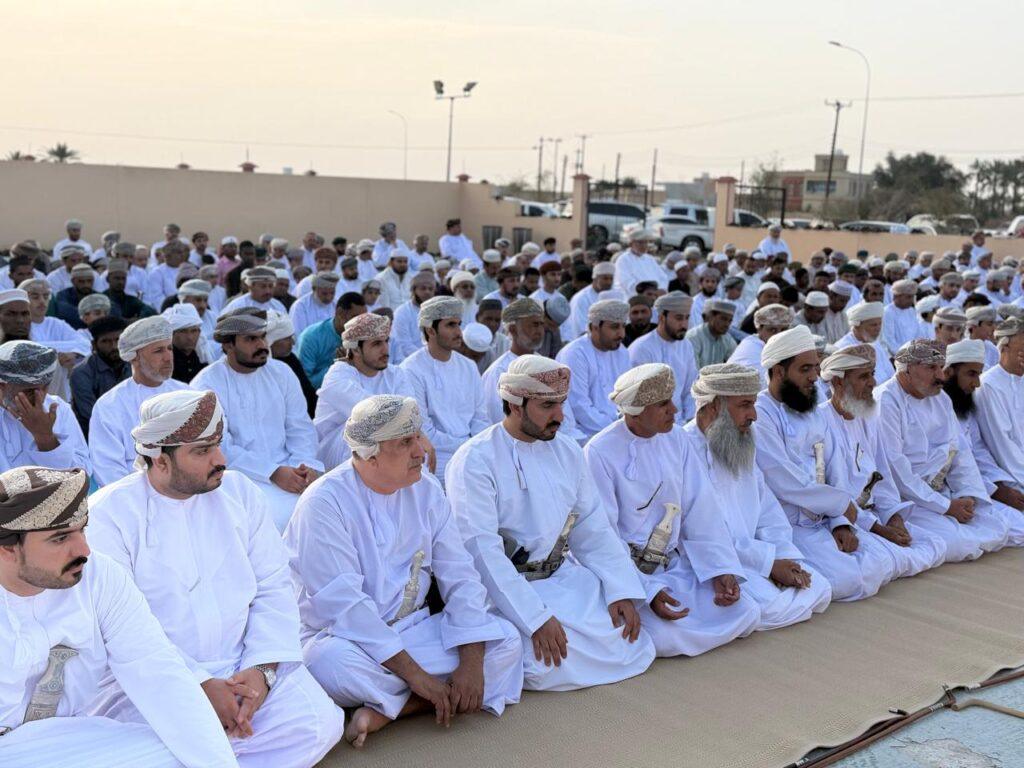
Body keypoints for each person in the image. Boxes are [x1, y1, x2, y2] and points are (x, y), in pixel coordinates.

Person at [88, 390, 344, 767]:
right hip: (155, 681)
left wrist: (261, 672)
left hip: (241, 666)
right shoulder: (108, 516)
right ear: (160, 459)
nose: (220, 460)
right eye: (203, 451)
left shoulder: (240, 494)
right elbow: (125, 633)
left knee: (319, 724)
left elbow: (274, 587)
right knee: (147, 750)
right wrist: (200, 686)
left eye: (218, 445)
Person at [285, 395, 522, 748]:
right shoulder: (323, 504)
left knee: (507, 639)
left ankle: (391, 708)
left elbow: (461, 575)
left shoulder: (426, 489)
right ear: (371, 455)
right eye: (405, 442)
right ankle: (422, 698)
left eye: (418, 437)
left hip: (415, 628)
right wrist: (419, 677)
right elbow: (346, 610)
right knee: (326, 663)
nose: (421, 451)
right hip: (348, 639)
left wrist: (471, 662)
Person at [0, 466, 238, 768]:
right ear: (8, 549)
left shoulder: (99, 576)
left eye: (82, 530)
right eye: (60, 538)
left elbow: (157, 670)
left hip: (62, 737)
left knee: (177, 755)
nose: (84, 550)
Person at [446, 356, 655, 690]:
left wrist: (621, 589)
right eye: (547, 405)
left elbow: (593, 527)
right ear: (515, 405)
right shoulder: (474, 460)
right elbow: (482, 552)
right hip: (507, 589)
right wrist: (535, 618)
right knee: (535, 660)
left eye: (561, 404)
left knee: (627, 635)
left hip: (561, 577)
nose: (560, 416)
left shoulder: (567, 450)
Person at [585, 364, 761, 655]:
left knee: (747, 612)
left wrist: (720, 570)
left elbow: (701, 509)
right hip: (631, 573)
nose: (675, 410)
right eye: (663, 404)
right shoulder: (599, 451)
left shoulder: (676, 439)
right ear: (636, 411)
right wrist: (647, 591)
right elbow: (603, 533)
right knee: (658, 638)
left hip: (674, 566)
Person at [754, 326, 898, 601]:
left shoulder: (810, 407)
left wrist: (840, 522)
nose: (814, 377)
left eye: (815, 368)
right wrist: (840, 506)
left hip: (825, 517)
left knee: (880, 565)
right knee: (849, 580)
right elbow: (785, 482)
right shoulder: (761, 415)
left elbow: (834, 468)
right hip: (789, 524)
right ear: (779, 371)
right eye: (805, 369)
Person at [684, 364, 832, 628]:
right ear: (714, 406)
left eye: (753, 404)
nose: (753, 415)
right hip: (715, 564)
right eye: (744, 405)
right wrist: (768, 563)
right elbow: (700, 534)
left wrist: (782, 556)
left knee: (821, 587)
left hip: (756, 556)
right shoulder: (684, 451)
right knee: (766, 609)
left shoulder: (740, 441)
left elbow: (767, 510)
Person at [876, 339, 1011, 562]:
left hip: (942, 493)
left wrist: (967, 494)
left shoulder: (941, 398)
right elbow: (896, 470)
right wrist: (946, 506)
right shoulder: (887, 401)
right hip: (908, 499)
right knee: (962, 544)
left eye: (941, 367)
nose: (941, 376)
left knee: (999, 527)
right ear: (907, 369)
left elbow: (960, 453)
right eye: (932, 368)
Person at [819, 345, 947, 577]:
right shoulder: (821, 422)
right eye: (863, 377)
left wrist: (894, 517)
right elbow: (836, 491)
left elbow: (883, 475)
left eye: (872, 374)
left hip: (875, 514)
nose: (872, 383)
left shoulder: (867, 418)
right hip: (847, 520)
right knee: (876, 566)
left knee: (936, 544)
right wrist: (878, 528)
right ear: (838, 382)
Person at [192, 309, 323, 531]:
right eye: (251, 339)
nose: (262, 345)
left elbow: (300, 428)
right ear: (228, 345)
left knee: (326, 508)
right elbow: (221, 447)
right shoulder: (206, 385)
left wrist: (303, 466)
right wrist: (273, 472)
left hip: (293, 469)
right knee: (275, 520)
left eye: (262, 337)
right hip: (240, 477)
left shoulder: (282, 372)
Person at [89, 317, 189, 486]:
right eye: (158, 351)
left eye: (169, 348)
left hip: (188, 490)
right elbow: (108, 470)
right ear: (134, 357)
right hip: (134, 495)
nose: (168, 357)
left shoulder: (188, 394)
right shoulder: (109, 405)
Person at [401, 296, 488, 483]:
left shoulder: (469, 366)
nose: (458, 332)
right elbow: (423, 429)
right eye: (450, 325)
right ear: (430, 330)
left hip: (473, 450)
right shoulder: (411, 369)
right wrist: (466, 446)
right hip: (435, 455)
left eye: (459, 324)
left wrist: (475, 447)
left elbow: (480, 418)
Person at [315, 313, 413, 470]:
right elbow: (369, 412)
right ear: (356, 350)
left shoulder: (396, 373)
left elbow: (411, 414)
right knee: (360, 429)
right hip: (335, 453)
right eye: (376, 344)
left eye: (386, 341)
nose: (385, 349)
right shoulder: (337, 375)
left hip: (386, 445)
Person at [944, 339, 1024, 518]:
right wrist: (994, 490)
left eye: (979, 374)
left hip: (972, 487)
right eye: (971, 374)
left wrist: (998, 487)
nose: (977, 384)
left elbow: (979, 452)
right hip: (941, 494)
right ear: (948, 372)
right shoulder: (933, 407)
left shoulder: (965, 407)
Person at [0, 341, 91, 474]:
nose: (40, 397)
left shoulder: (59, 409)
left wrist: (45, 436)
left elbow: (83, 473)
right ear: (2, 386)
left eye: (45, 387)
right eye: (30, 391)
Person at [556, 299, 631, 441]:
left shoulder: (622, 352)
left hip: (618, 427)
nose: (621, 334)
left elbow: (627, 395)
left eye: (623, 326)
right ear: (594, 327)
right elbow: (579, 406)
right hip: (584, 433)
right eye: (614, 327)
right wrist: (616, 428)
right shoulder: (575, 354)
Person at [627, 292, 699, 423]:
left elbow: (691, 389)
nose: (684, 325)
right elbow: (638, 398)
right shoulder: (642, 348)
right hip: (650, 424)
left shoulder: (686, 345)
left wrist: (690, 421)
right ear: (662, 318)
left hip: (681, 421)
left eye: (686, 318)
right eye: (678, 318)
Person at [70, 316, 130, 435]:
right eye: (106, 341)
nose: (114, 346)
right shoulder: (81, 373)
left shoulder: (134, 365)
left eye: (118, 340)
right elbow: (92, 415)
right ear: (94, 345)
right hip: (95, 435)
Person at [297, 292, 366, 388]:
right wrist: (338, 366)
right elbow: (304, 384)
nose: (360, 324)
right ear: (340, 313)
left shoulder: (363, 337)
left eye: (363, 319)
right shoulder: (311, 338)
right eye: (355, 318)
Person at [727, 304, 792, 386]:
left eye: (783, 330)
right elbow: (768, 385)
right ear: (759, 329)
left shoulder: (776, 347)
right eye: (772, 330)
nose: (778, 335)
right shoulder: (751, 348)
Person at [835, 302, 895, 384]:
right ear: (857, 325)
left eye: (880, 324)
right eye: (873, 325)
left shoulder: (875, 343)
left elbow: (891, 373)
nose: (878, 328)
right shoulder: (842, 347)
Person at [389, 271, 437, 364]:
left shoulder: (437, 312)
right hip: (409, 362)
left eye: (430, 289)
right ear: (414, 290)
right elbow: (404, 345)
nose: (427, 292)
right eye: (423, 288)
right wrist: (428, 358)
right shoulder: (402, 312)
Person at [685, 299, 738, 368]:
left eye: (730, 321)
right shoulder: (694, 337)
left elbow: (736, 365)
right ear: (711, 317)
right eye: (723, 319)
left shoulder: (727, 340)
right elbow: (693, 371)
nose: (727, 324)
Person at [568, 261, 614, 338]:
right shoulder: (581, 298)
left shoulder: (613, 295)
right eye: (605, 278)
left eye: (611, 279)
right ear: (595, 278)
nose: (609, 282)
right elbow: (581, 329)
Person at [613, 230, 667, 296]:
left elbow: (663, 277)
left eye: (646, 242)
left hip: (654, 296)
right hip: (634, 297)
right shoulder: (623, 260)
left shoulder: (650, 259)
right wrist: (644, 291)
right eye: (640, 243)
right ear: (631, 244)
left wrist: (661, 289)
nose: (644, 246)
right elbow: (625, 281)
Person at [222, 265, 288, 315]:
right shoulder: (237, 306)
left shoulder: (278, 306)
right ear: (250, 286)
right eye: (263, 286)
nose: (268, 291)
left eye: (270, 286)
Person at [290, 272, 339, 338]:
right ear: (314, 289)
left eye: (332, 293)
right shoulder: (300, 306)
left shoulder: (336, 304)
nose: (328, 297)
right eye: (324, 294)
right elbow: (298, 335)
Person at [882, 280, 922, 355]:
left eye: (912, 297)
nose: (911, 300)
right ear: (897, 296)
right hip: (896, 356)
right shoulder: (887, 312)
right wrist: (904, 355)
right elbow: (889, 340)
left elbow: (918, 334)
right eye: (908, 297)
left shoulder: (912, 311)